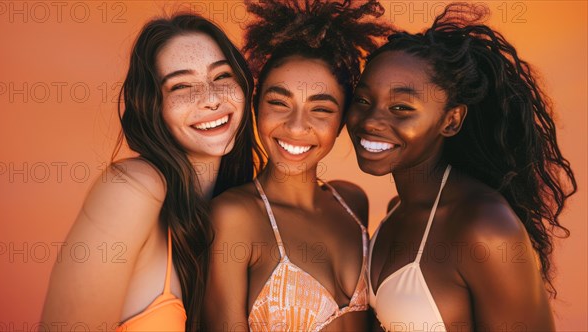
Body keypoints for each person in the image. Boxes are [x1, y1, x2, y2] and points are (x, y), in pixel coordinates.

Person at [347, 3, 577, 331]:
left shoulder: (484, 226)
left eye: (401, 107)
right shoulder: (394, 213)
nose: (372, 121)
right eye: (363, 100)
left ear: (451, 121)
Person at [41, 13, 263, 331]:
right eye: (181, 86)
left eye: (222, 76)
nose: (212, 99)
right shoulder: (133, 187)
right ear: (153, 107)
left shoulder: (235, 213)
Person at [204, 1, 390, 331]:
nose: (296, 126)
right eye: (279, 103)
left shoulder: (352, 202)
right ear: (256, 105)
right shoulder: (234, 217)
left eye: (321, 110)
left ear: (343, 119)